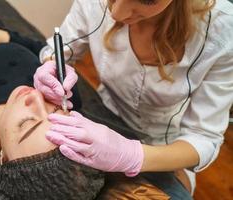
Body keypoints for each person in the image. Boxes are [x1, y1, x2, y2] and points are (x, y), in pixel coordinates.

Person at [31, 0, 233, 199]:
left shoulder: (223, 30)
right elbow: (58, 51)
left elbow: (203, 138)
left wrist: (133, 155)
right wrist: (51, 65)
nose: (117, 13)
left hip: (165, 148)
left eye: (147, 0)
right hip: (102, 114)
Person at [0, 15, 104, 199]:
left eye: (27, 123)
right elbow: (42, 52)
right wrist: (7, 37)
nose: (36, 96)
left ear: (3, 158)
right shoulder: (66, 93)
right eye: (56, 110)